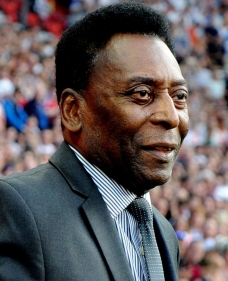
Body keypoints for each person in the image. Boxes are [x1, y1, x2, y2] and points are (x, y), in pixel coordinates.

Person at [0, 2, 189, 281]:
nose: (171, 117)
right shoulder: (20, 209)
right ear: (73, 111)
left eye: (180, 96)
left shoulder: (162, 232)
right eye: (142, 94)